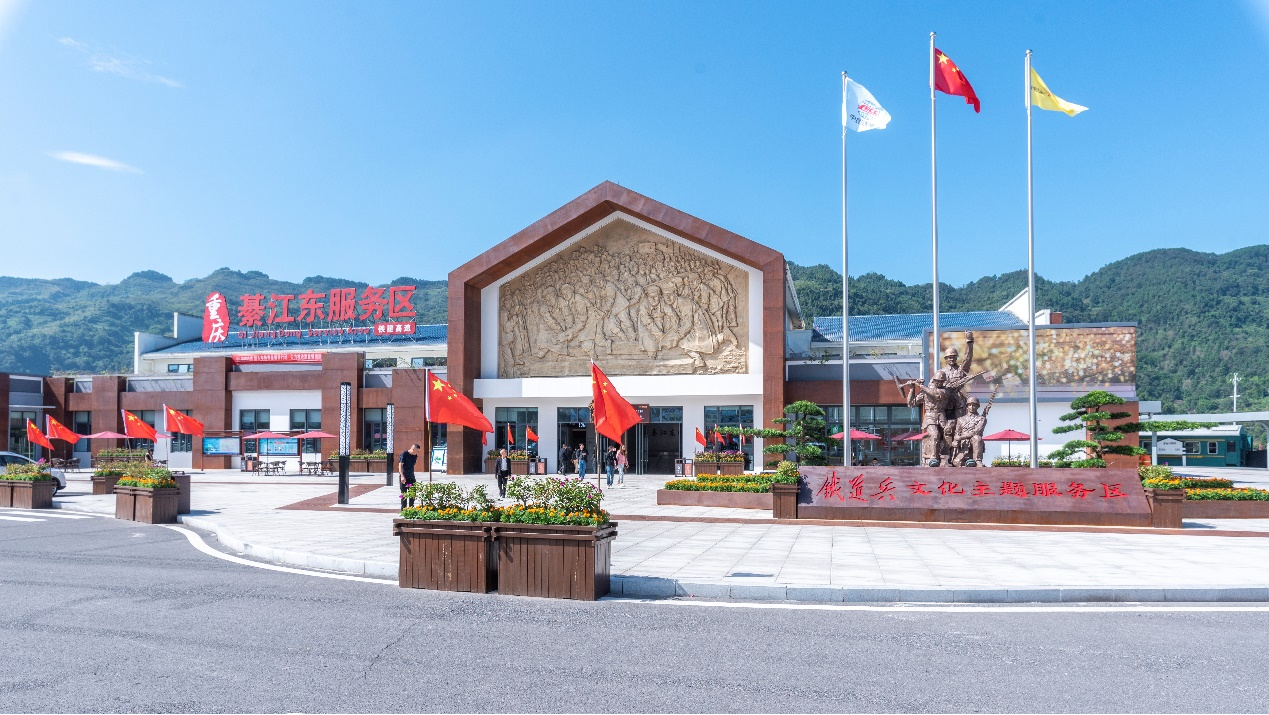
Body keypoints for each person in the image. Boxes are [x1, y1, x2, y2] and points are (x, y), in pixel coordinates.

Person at [398, 443, 420, 507]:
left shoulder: (415, 456)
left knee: (412, 493)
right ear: (413, 449)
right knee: (404, 493)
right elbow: (400, 465)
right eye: (417, 451)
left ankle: (411, 507)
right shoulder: (404, 454)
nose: (418, 453)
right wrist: (402, 476)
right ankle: (404, 508)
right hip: (404, 476)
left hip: (411, 477)